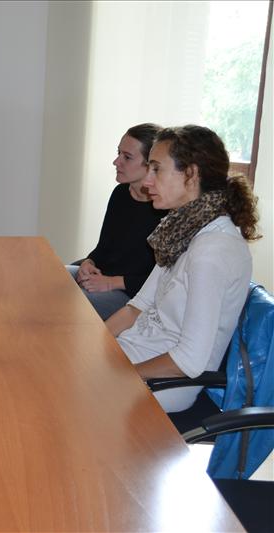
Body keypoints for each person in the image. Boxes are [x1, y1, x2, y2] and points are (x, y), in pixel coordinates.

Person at [106, 125, 260, 413]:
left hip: (163, 382)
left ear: (191, 173)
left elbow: (189, 360)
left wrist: (121, 375)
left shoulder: (212, 250)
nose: (147, 181)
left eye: (156, 169)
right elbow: (137, 307)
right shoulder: (182, 229)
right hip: (133, 354)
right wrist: (94, 344)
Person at [66, 123, 168, 320]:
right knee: (49, 277)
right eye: (118, 153)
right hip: (103, 279)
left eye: (127, 157)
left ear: (150, 164)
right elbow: (104, 248)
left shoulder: (165, 209)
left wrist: (111, 282)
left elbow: (159, 282)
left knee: (69, 303)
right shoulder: (121, 193)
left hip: (132, 295)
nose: (116, 162)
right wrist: (89, 262)